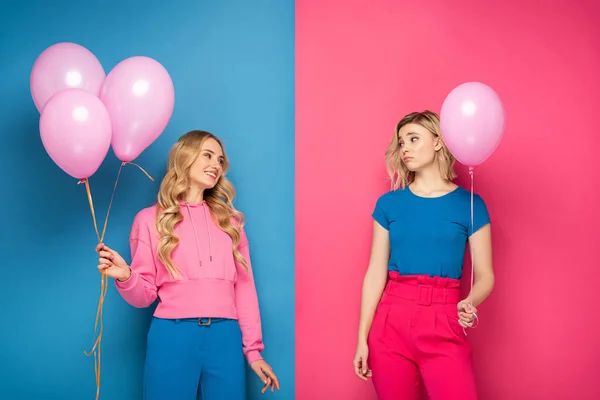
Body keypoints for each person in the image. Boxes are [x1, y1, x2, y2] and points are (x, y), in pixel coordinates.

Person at [95, 130, 280, 400]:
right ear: (185, 157)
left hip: (225, 337)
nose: (216, 165)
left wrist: (253, 352)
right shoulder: (149, 220)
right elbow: (144, 295)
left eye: (219, 160)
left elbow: (245, 289)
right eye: (207, 155)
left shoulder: (232, 223)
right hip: (172, 336)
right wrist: (126, 276)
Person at [353, 111, 494, 400]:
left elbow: (485, 276)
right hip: (390, 322)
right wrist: (361, 339)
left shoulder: (470, 205)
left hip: (444, 319)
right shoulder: (389, 204)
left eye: (414, 139)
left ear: (439, 142)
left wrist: (469, 302)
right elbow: (375, 272)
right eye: (401, 142)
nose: (404, 148)